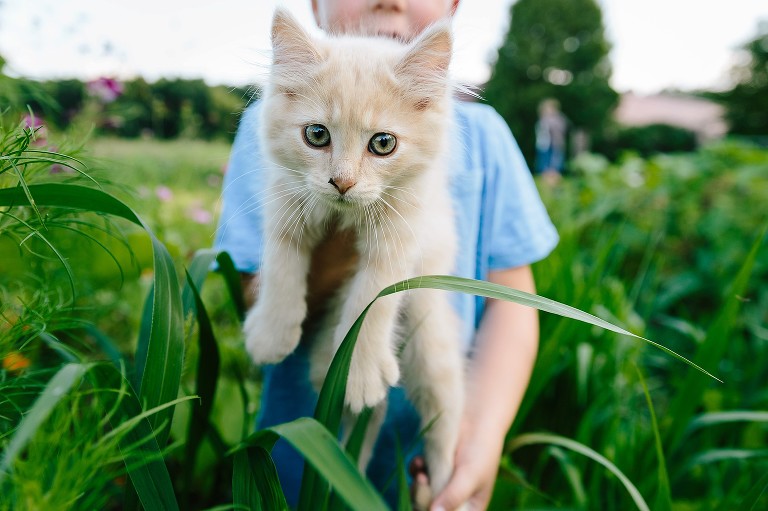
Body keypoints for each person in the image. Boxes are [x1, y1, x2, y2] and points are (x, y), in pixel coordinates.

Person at [214, 1, 558, 509]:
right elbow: (271, 262)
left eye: (380, 143)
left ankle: (442, 459)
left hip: (422, 472)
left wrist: (482, 437)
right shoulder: (264, 130)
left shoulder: (483, 137)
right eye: (317, 135)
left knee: (432, 346)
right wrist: (279, 304)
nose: (344, 177)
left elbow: (512, 299)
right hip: (295, 467)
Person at [534, 98, 567, 185]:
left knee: (553, 168)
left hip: (554, 146)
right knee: (545, 168)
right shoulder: (542, 121)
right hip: (544, 147)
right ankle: (547, 186)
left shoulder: (557, 120)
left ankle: (554, 186)